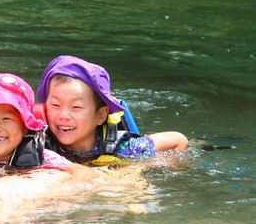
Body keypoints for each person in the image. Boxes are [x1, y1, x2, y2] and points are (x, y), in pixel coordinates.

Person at [36, 55, 188, 164]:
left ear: (101, 116)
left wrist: (139, 168)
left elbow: (178, 140)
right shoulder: (38, 144)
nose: (64, 115)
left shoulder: (124, 149)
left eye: (76, 107)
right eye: (55, 105)